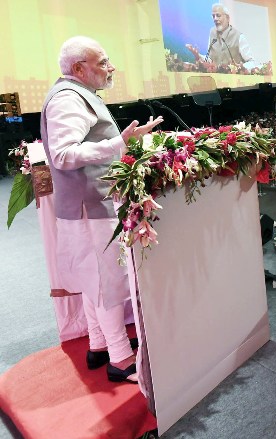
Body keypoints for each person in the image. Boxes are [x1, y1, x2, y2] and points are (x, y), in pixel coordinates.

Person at [42, 36, 164, 383]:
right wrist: (120, 144)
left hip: (85, 206)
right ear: (79, 68)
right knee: (106, 283)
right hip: (91, 208)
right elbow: (64, 154)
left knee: (93, 281)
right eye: (104, 61)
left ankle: (99, 344)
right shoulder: (68, 99)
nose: (111, 68)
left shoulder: (77, 95)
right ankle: (122, 360)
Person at [206, 3, 256, 71]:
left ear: (227, 18)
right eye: (213, 16)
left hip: (236, 80)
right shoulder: (212, 33)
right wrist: (198, 56)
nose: (215, 19)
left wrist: (240, 67)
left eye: (218, 15)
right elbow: (209, 59)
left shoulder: (239, 36)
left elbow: (252, 62)